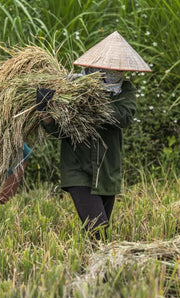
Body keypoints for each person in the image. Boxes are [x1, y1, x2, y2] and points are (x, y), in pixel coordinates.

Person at [36, 31, 152, 240]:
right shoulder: (72, 87)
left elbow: (123, 117)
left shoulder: (125, 90)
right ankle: (99, 267)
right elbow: (63, 130)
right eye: (108, 68)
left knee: (98, 234)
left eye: (118, 69)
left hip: (107, 171)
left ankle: (94, 268)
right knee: (98, 229)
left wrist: (94, 100)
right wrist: (47, 118)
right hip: (78, 169)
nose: (113, 72)